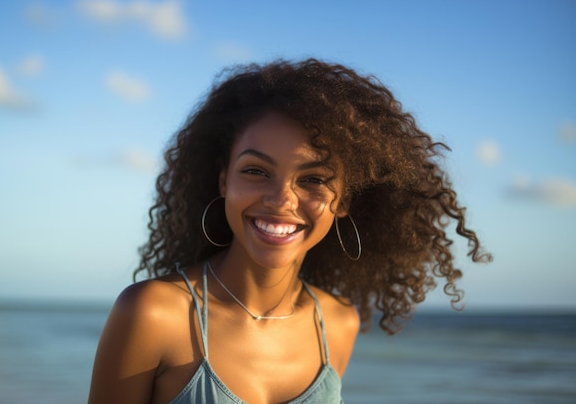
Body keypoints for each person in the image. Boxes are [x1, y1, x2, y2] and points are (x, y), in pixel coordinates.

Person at [88, 59, 491, 404]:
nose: (282, 200)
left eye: (314, 179)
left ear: (345, 200)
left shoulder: (337, 323)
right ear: (223, 181)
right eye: (256, 171)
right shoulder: (153, 314)